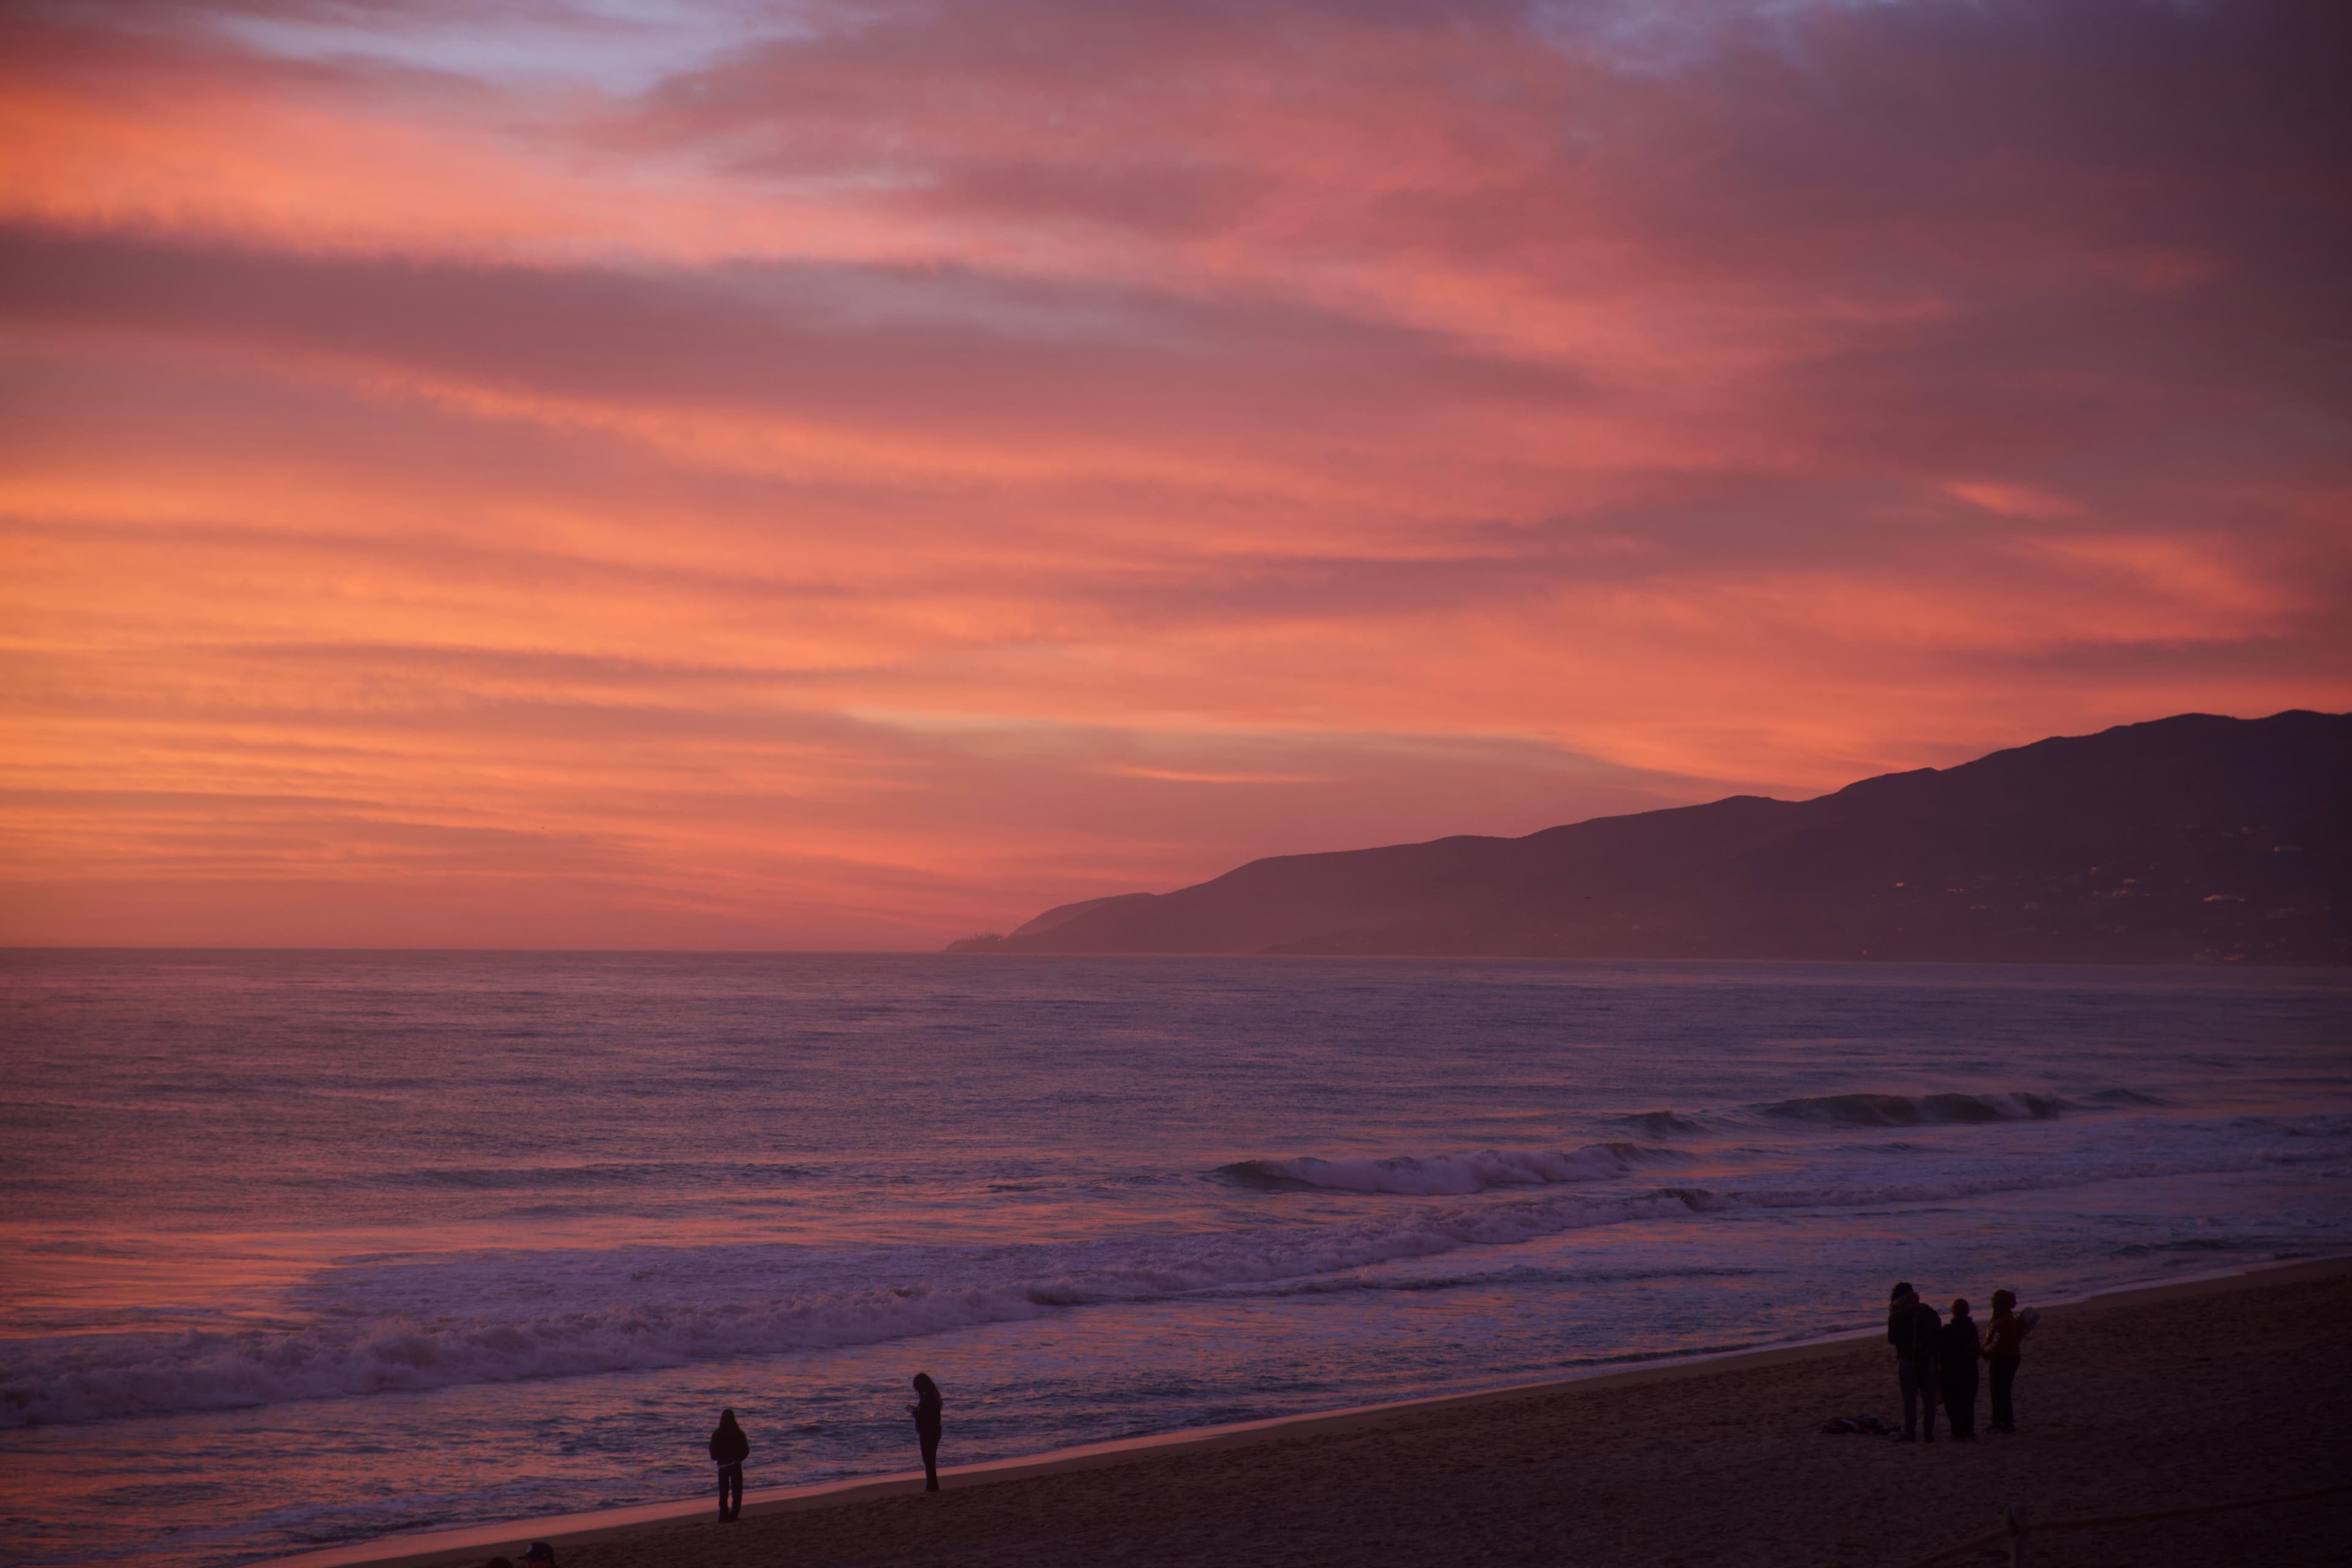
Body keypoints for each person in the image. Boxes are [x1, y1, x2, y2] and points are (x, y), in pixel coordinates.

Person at [1886, 1282, 1942, 1442]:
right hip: (1927, 1360)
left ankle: (1910, 1433)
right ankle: (1928, 1433)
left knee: (1910, 1400)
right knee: (1928, 1399)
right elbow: (1938, 1333)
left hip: (1907, 1360)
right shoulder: (1927, 1311)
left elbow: (1892, 1339)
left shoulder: (1897, 1315)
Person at [1983, 1289, 2026, 1433]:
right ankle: (2001, 1421)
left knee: (2000, 1391)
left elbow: (1996, 1343)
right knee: (2000, 1390)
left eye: (1994, 1299)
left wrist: (1982, 1351)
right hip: (2009, 1357)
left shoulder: (2002, 1322)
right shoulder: (2008, 1318)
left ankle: (2004, 1423)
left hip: (2004, 1359)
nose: (1992, 1301)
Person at [1940, 1298, 1982, 1439]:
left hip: (1952, 1371)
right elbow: (1976, 1349)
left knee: (1952, 1401)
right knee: (1968, 1401)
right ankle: (1968, 1429)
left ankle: (1958, 1429)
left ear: (1953, 1312)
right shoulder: (1972, 1328)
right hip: (1970, 1369)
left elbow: (1943, 1351)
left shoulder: (1948, 1330)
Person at [709, 1408, 750, 1521]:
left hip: (723, 1467)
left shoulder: (717, 1434)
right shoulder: (739, 1433)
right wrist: (739, 1459)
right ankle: (734, 1515)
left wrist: (719, 1458)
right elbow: (746, 1450)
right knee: (737, 1493)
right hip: (736, 1465)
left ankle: (723, 1516)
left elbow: (712, 1452)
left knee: (723, 1493)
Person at [908, 1373, 944, 1492]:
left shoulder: (927, 1398)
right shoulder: (933, 1396)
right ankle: (932, 1486)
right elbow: (929, 1414)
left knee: (928, 1461)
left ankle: (932, 1487)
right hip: (935, 1431)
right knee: (930, 1461)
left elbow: (923, 1416)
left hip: (928, 1433)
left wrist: (913, 1411)